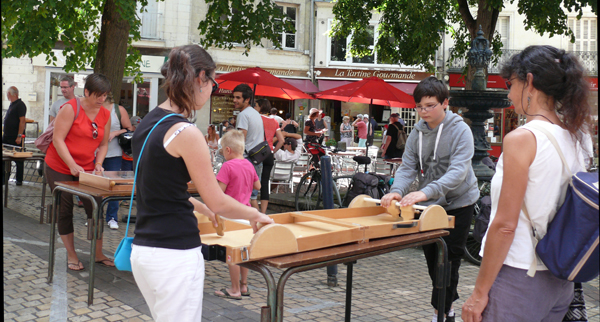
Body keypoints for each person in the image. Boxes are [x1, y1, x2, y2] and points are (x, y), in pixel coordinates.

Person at [130, 45, 273, 321]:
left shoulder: (149, 121)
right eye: (214, 84)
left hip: (144, 251)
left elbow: (161, 187)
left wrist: (202, 208)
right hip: (174, 253)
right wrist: (256, 214)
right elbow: (217, 199)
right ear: (202, 78)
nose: (212, 92)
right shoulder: (186, 131)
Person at [462, 46, 594, 322]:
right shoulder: (578, 137)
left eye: (511, 84)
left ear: (530, 82)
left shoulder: (523, 139)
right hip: (559, 279)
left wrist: (479, 293)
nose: (509, 94)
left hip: (519, 276)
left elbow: (505, 225)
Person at [380, 76, 479, 322]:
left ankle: (440, 314)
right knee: (433, 260)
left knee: (450, 260)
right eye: (419, 106)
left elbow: (458, 173)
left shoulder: (461, 130)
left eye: (430, 105)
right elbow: (408, 167)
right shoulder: (417, 132)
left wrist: (425, 192)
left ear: (445, 102)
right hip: (429, 204)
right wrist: (397, 190)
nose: (423, 111)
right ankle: (448, 309)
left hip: (459, 203)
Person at [43, 73, 115, 271]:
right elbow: (58, 140)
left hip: (87, 168)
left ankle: (98, 253)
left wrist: (99, 163)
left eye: (105, 95)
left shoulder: (105, 114)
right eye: (98, 95)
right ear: (86, 92)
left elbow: (103, 144)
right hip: (59, 165)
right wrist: (72, 165)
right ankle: (72, 255)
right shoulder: (70, 109)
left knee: (97, 206)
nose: (101, 100)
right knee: (64, 208)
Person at [213, 130, 261, 300]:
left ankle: (234, 289)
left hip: (230, 215)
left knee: (231, 253)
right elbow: (258, 185)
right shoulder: (249, 164)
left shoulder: (227, 166)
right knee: (244, 252)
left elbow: (219, 193)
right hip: (246, 214)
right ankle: (244, 285)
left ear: (228, 150)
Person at [101, 93, 135, 229]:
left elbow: (129, 129)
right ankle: (94, 215)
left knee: (113, 185)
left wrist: (115, 133)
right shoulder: (92, 108)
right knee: (93, 184)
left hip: (113, 152)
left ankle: (112, 217)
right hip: (94, 152)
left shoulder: (118, 110)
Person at [234, 84, 265, 211]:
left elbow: (241, 139)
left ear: (247, 99)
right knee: (252, 197)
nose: (234, 100)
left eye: (238, 98)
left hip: (247, 158)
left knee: (243, 197)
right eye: (234, 97)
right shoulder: (255, 113)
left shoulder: (243, 115)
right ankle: (259, 223)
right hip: (257, 157)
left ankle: (255, 224)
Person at [256, 98, 284, 213]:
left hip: (257, 154)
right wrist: (273, 151)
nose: (254, 108)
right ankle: (263, 212)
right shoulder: (274, 121)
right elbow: (281, 140)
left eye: (256, 106)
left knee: (252, 181)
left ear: (260, 107)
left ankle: (253, 210)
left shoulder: (256, 118)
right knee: (265, 182)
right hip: (268, 154)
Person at [3, 86, 27, 186]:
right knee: (4, 156)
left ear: (13, 94)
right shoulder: (12, 104)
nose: (7, 95)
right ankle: (4, 178)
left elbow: (22, 121)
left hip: (15, 136)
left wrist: (19, 136)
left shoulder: (20, 105)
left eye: (8, 93)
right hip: (7, 136)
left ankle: (19, 179)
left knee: (18, 158)